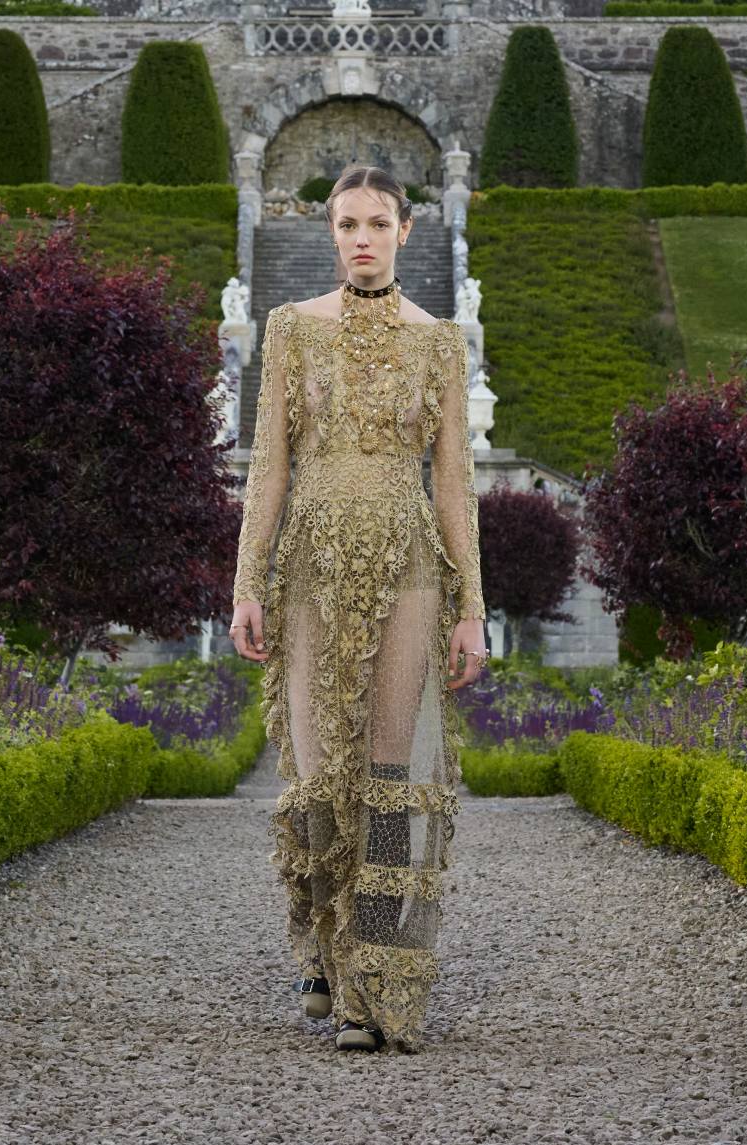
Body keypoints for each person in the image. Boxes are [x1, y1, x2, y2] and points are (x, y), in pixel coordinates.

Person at [229, 163, 487, 1055]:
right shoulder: (291, 329)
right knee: (315, 774)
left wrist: (471, 607)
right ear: (331, 233)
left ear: (406, 231)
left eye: (379, 223)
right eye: (348, 225)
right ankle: (322, 951)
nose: (363, 238)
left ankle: (370, 988)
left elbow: (453, 484)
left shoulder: (438, 341)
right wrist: (247, 584)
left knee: (385, 776)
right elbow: (269, 467)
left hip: (409, 567)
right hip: (309, 568)